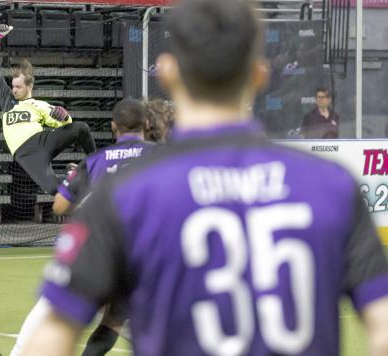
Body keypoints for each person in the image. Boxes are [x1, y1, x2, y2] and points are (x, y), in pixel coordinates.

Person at [24, 1, 388, 355]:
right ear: (260, 74)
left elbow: (50, 338)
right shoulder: (331, 186)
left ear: (167, 72)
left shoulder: (124, 195)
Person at [9, 98, 153, 356]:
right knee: (115, 320)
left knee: (54, 309)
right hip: (147, 253)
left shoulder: (97, 161)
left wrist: (77, 183)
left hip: (100, 250)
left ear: (113, 126)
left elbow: (60, 206)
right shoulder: (164, 155)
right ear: (147, 124)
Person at [0, 24, 97, 195]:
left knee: (81, 128)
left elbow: (64, 124)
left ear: (29, 86)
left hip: (43, 140)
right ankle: (74, 175)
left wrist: (64, 116)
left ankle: (96, 165)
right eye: (13, 86)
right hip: (26, 153)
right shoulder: (8, 100)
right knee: (54, 189)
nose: (14, 89)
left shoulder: (41, 106)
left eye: (18, 86)